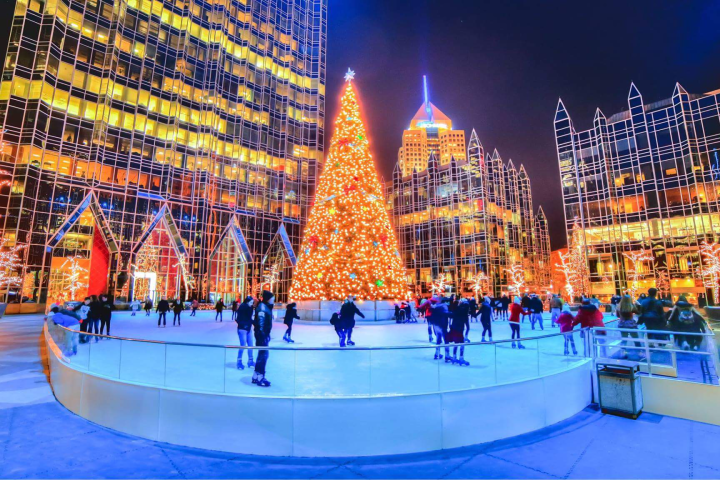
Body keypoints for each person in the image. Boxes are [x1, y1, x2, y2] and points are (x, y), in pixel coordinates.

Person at [252, 290, 274, 387]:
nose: (273, 299)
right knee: (264, 355)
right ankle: (260, 376)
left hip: (263, 335)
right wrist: (263, 336)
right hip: (262, 336)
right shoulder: (262, 308)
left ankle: (256, 375)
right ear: (268, 298)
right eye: (272, 298)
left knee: (262, 355)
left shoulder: (265, 307)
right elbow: (261, 323)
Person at [447, 297, 470, 365]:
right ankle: (461, 358)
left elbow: (451, 316)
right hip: (460, 329)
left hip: (455, 328)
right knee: (462, 344)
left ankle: (454, 357)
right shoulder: (465, 312)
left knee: (456, 343)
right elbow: (467, 323)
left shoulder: (456, 309)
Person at [235, 296, 255, 369]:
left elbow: (249, 318)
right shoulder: (244, 307)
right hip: (242, 329)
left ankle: (250, 361)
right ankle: (239, 361)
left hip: (248, 328)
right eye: (251, 302)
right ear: (247, 302)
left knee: (250, 345)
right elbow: (244, 318)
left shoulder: (248, 307)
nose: (252, 304)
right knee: (243, 345)